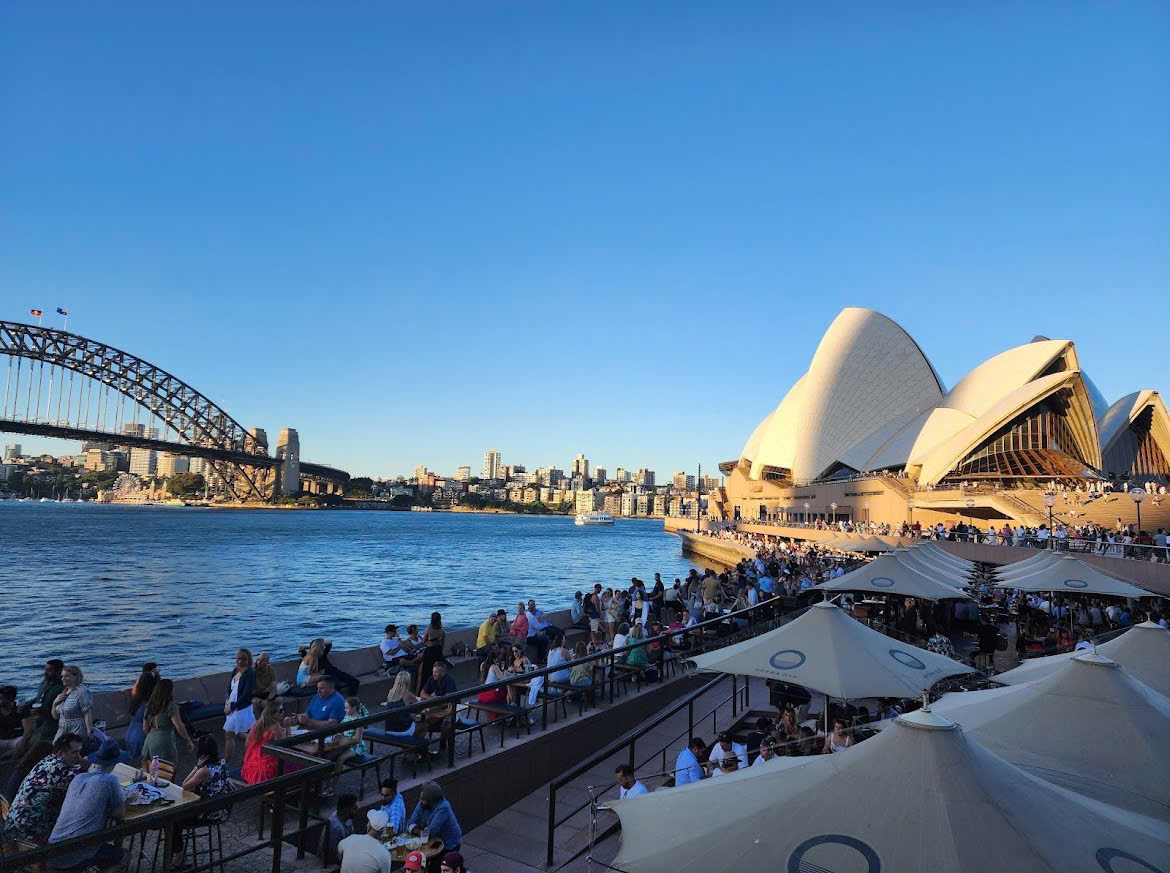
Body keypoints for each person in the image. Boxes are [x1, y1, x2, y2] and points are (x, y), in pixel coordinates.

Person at [47, 739, 125, 871]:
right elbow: (120, 814)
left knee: (105, 850)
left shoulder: (79, 778)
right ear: (115, 763)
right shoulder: (110, 780)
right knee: (124, 856)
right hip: (77, 852)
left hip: (53, 849)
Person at [2, 732, 86, 846]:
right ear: (61, 753)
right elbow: (85, 791)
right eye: (74, 753)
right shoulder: (64, 772)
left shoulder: (48, 760)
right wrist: (87, 767)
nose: (78, 757)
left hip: (13, 828)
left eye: (79, 752)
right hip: (28, 838)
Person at [169, 735, 232, 867]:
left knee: (172, 819)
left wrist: (196, 767)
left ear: (202, 754)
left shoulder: (204, 771)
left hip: (206, 812)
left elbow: (185, 786)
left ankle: (178, 855)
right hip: (220, 807)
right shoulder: (222, 762)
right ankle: (175, 850)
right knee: (174, 818)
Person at [141, 678, 195, 764]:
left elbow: (145, 728)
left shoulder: (149, 705)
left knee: (152, 774)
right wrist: (188, 740)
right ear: (169, 690)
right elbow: (179, 726)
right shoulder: (170, 705)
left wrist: (153, 737)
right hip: (164, 742)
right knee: (168, 771)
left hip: (149, 741)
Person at [408, 781, 463, 862]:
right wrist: (421, 832)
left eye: (423, 800)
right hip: (433, 841)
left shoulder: (443, 808)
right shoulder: (423, 802)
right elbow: (410, 823)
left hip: (448, 844)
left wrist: (416, 830)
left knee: (436, 867)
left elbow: (430, 833)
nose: (420, 801)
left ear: (431, 801)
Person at [18, 660, 65, 749]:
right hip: (39, 722)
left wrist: (44, 711)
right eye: (45, 669)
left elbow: (65, 711)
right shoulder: (45, 682)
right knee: (23, 744)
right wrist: (26, 705)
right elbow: (37, 698)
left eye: (49, 670)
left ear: (59, 671)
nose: (45, 672)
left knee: (34, 747)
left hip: (51, 725)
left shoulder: (64, 687)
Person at [223, 648, 257, 763]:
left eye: (242, 659)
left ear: (248, 660)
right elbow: (229, 687)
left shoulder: (250, 673)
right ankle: (256, 744)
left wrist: (232, 707)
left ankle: (225, 763)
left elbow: (246, 694)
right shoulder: (235, 670)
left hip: (241, 708)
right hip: (232, 706)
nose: (239, 662)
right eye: (237, 659)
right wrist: (227, 700)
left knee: (229, 734)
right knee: (236, 733)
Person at [242, 700, 288, 784]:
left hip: (250, 765)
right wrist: (287, 727)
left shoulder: (257, 724)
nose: (283, 712)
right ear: (273, 714)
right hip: (265, 770)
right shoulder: (275, 727)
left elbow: (247, 743)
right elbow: (284, 745)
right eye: (280, 711)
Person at [51, 665, 93, 748]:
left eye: (66, 676)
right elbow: (55, 717)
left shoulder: (82, 691)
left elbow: (87, 712)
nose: (63, 679)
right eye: (62, 676)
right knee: (55, 749)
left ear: (75, 677)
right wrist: (54, 703)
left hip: (77, 728)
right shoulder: (64, 692)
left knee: (74, 752)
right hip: (62, 728)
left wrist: (89, 732)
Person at [338, 808, 391, 873]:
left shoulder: (351, 838)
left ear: (368, 826)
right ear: (384, 831)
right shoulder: (385, 854)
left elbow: (339, 851)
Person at [124, 666, 159, 764]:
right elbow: (146, 728)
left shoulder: (136, 700)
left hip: (130, 735)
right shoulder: (149, 704)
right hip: (141, 739)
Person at [321, 793, 358, 868]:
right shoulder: (335, 827)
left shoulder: (347, 818)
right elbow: (332, 854)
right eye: (354, 808)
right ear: (347, 810)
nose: (357, 810)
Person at [382, 671, 420, 738]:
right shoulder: (408, 695)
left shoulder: (391, 692)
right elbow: (420, 707)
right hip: (401, 731)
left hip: (389, 729)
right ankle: (414, 746)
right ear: (408, 682)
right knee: (423, 725)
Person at [417, 613, 447, 694]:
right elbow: (443, 643)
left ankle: (422, 691)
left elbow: (423, 641)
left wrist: (429, 642)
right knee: (437, 672)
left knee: (425, 673)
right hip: (438, 651)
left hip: (429, 652)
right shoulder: (442, 630)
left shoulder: (429, 629)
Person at [475, 650, 510, 718]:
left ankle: (497, 716)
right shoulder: (494, 667)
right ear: (494, 659)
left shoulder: (483, 665)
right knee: (505, 688)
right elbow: (503, 680)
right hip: (491, 695)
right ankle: (510, 708)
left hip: (482, 694)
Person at [0, 685, 23, 755]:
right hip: (1, 739)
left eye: (2, 698)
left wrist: (19, 714)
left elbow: (27, 729)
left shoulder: (19, 709)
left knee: (23, 742)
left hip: (16, 739)